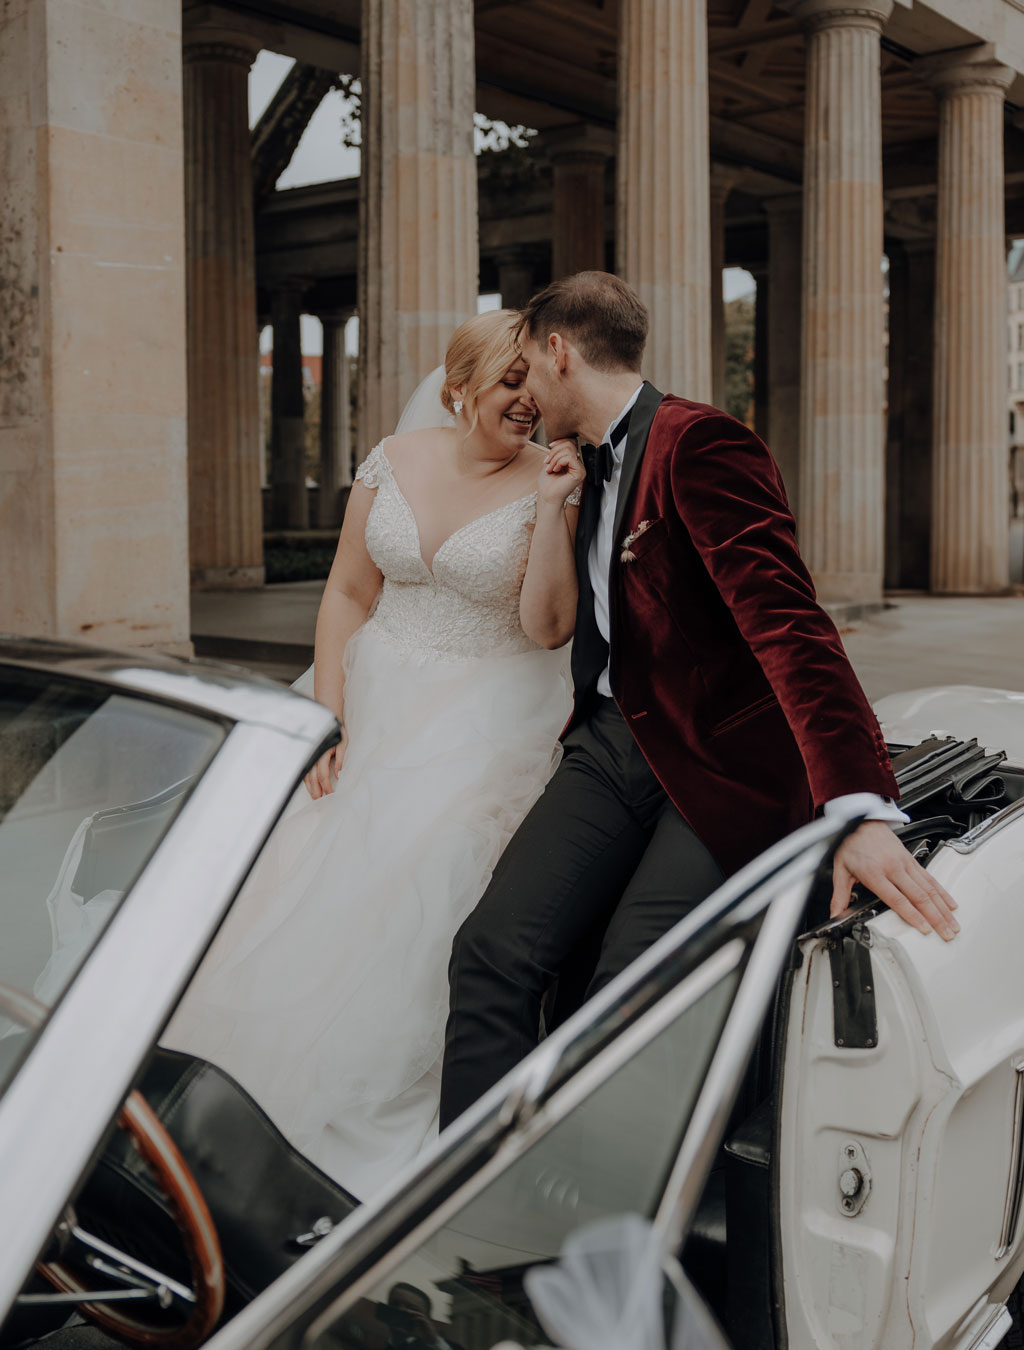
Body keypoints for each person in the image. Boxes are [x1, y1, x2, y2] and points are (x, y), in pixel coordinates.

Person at [439, 271, 959, 1128]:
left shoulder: (702, 443)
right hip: (611, 745)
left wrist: (858, 806)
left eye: (528, 367)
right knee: (489, 951)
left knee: (628, 990)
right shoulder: (581, 465)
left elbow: (790, 629)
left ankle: (601, 1243)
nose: (525, 391)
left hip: (725, 762)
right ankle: (464, 1205)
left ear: (559, 351)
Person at [164, 310, 583, 1199]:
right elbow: (349, 591)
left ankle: (365, 1121)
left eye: (535, 387)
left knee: (422, 873)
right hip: (369, 691)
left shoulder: (551, 476)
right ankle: (225, 1098)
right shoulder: (392, 456)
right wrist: (331, 717)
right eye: (510, 384)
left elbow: (550, 630)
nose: (527, 403)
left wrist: (553, 510)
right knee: (296, 867)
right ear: (459, 385)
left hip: (492, 707)